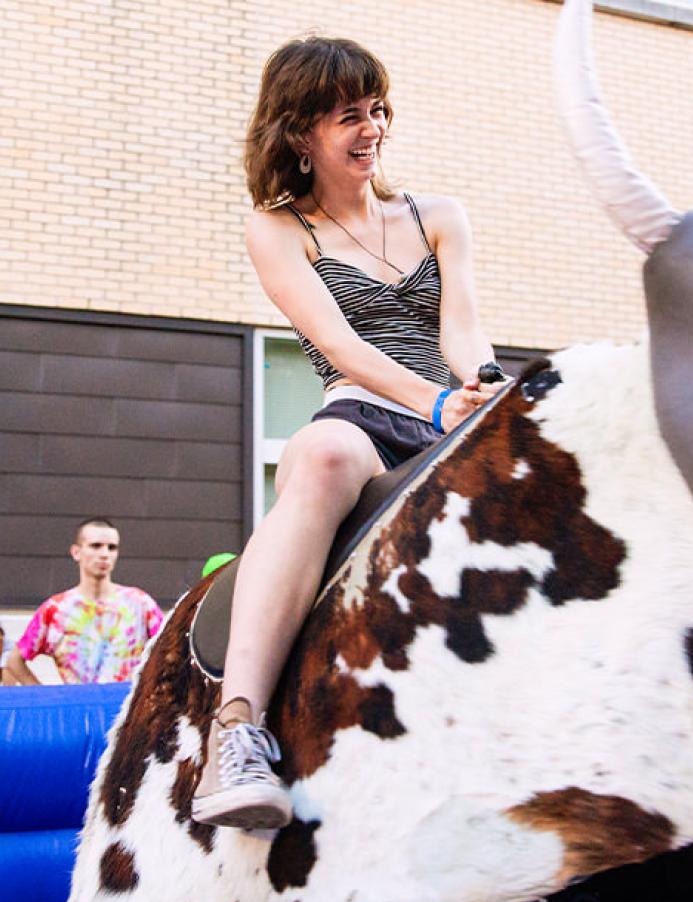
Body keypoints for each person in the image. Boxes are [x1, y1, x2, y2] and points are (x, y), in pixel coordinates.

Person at [190, 36, 508, 830]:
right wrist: (432, 406)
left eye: (377, 111)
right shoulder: (276, 227)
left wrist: (480, 387)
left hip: (450, 417)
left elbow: (462, 329)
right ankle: (235, 733)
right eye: (347, 117)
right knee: (325, 455)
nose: (371, 129)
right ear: (300, 133)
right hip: (364, 413)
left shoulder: (438, 215)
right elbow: (341, 347)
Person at [6, 518, 165, 686]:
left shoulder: (141, 604)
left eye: (112, 548)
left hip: (127, 707)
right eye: (95, 546)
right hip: (78, 708)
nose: (105, 554)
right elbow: (14, 661)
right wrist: (47, 698)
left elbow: (170, 653)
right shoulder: (56, 609)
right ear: (76, 552)